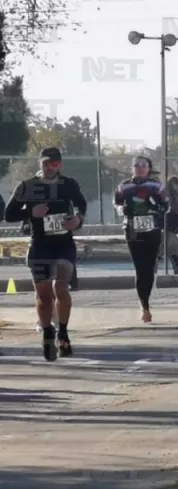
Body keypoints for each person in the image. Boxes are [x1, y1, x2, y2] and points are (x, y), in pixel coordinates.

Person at [3, 147, 87, 360]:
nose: (50, 168)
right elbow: (9, 214)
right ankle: (47, 331)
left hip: (63, 243)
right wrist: (30, 212)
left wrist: (78, 220)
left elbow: (81, 204)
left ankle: (64, 333)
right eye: (46, 164)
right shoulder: (27, 186)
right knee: (43, 295)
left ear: (60, 165)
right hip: (40, 244)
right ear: (40, 164)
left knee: (61, 286)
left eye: (55, 164)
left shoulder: (68, 184)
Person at [115, 155, 168, 323]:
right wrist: (122, 210)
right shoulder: (124, 186)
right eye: (136, 165)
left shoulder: (157, 186)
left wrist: (157, 206)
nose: (139, 168)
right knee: (140, 268)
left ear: (148, 168)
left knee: (150, 268)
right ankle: (144, 306)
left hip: (152, 229)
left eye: (143, 165)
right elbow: (116, 204)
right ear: (132, 168)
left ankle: (146, 298)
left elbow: (167, 205)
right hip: (132, 229)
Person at [164, 176, 178, 275]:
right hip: (169, 227)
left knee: (170, 250)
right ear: (173, 185)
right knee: (173, 250)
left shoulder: (174, 195)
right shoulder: (169, 196)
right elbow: (173, 209)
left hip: (172, 228)